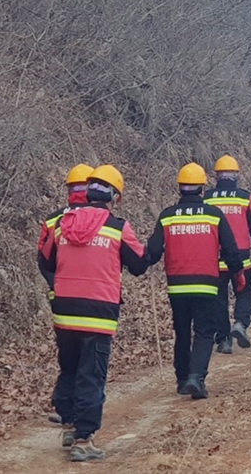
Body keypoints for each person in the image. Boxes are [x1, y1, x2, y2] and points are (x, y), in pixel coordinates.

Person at [38, 165, 149, 462]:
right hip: (98, 311)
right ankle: (84, 439)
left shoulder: (61, 224)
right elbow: (139, 264)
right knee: (91, 374)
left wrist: (59, 285)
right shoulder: (117, 227)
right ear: (113, 196)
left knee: (70, 368)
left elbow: (44, 260)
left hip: (64, 310)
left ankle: (70, 424)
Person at [147, 162, 242, 400]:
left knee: (181, 331)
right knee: (203, 332)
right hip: (206, 283)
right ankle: (196, 377)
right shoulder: (213, 215)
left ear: (180, 188)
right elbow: (231, 250)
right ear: (202, 188)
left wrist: (142, 260)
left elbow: (154, 251)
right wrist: (238, 274)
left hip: (177, 284)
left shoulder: (167, 216)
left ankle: (181, 379)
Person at [37, 163, 95, 425]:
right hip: (97, 300)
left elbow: (43, 260)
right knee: (89, 359)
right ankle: (78, 413)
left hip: (61, 299)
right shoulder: (102, 219)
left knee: (68, 354)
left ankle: (65, 406)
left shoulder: (53, 220)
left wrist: (56, 283)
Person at [203, 154, 251, 353]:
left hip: (215, 257)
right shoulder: (245, 197)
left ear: (217, 176)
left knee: (219, 298)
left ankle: (223, 341)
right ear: (235, 175)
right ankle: (240, 323)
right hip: (241, 257)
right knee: (244, 292)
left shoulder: (206, 199)